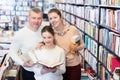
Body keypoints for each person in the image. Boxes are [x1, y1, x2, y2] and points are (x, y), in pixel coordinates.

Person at [47, 8, 85, 80]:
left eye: (55, 17)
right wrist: (41, 44)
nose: (53, 20)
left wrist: (76, 48)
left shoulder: (72, 29)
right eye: (50, 18)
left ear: (61, 17)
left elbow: (82, 45)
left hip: (73, 66)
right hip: (58, 68)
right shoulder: (50, 32)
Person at [8, 8, 43, 80]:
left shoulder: (45, 31)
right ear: (28, 18)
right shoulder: (20, 34)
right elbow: (12, 52)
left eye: (39, 18)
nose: (36, 21)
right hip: (29, 72)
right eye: (34, 18)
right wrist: (22, 63)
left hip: (44, 72)